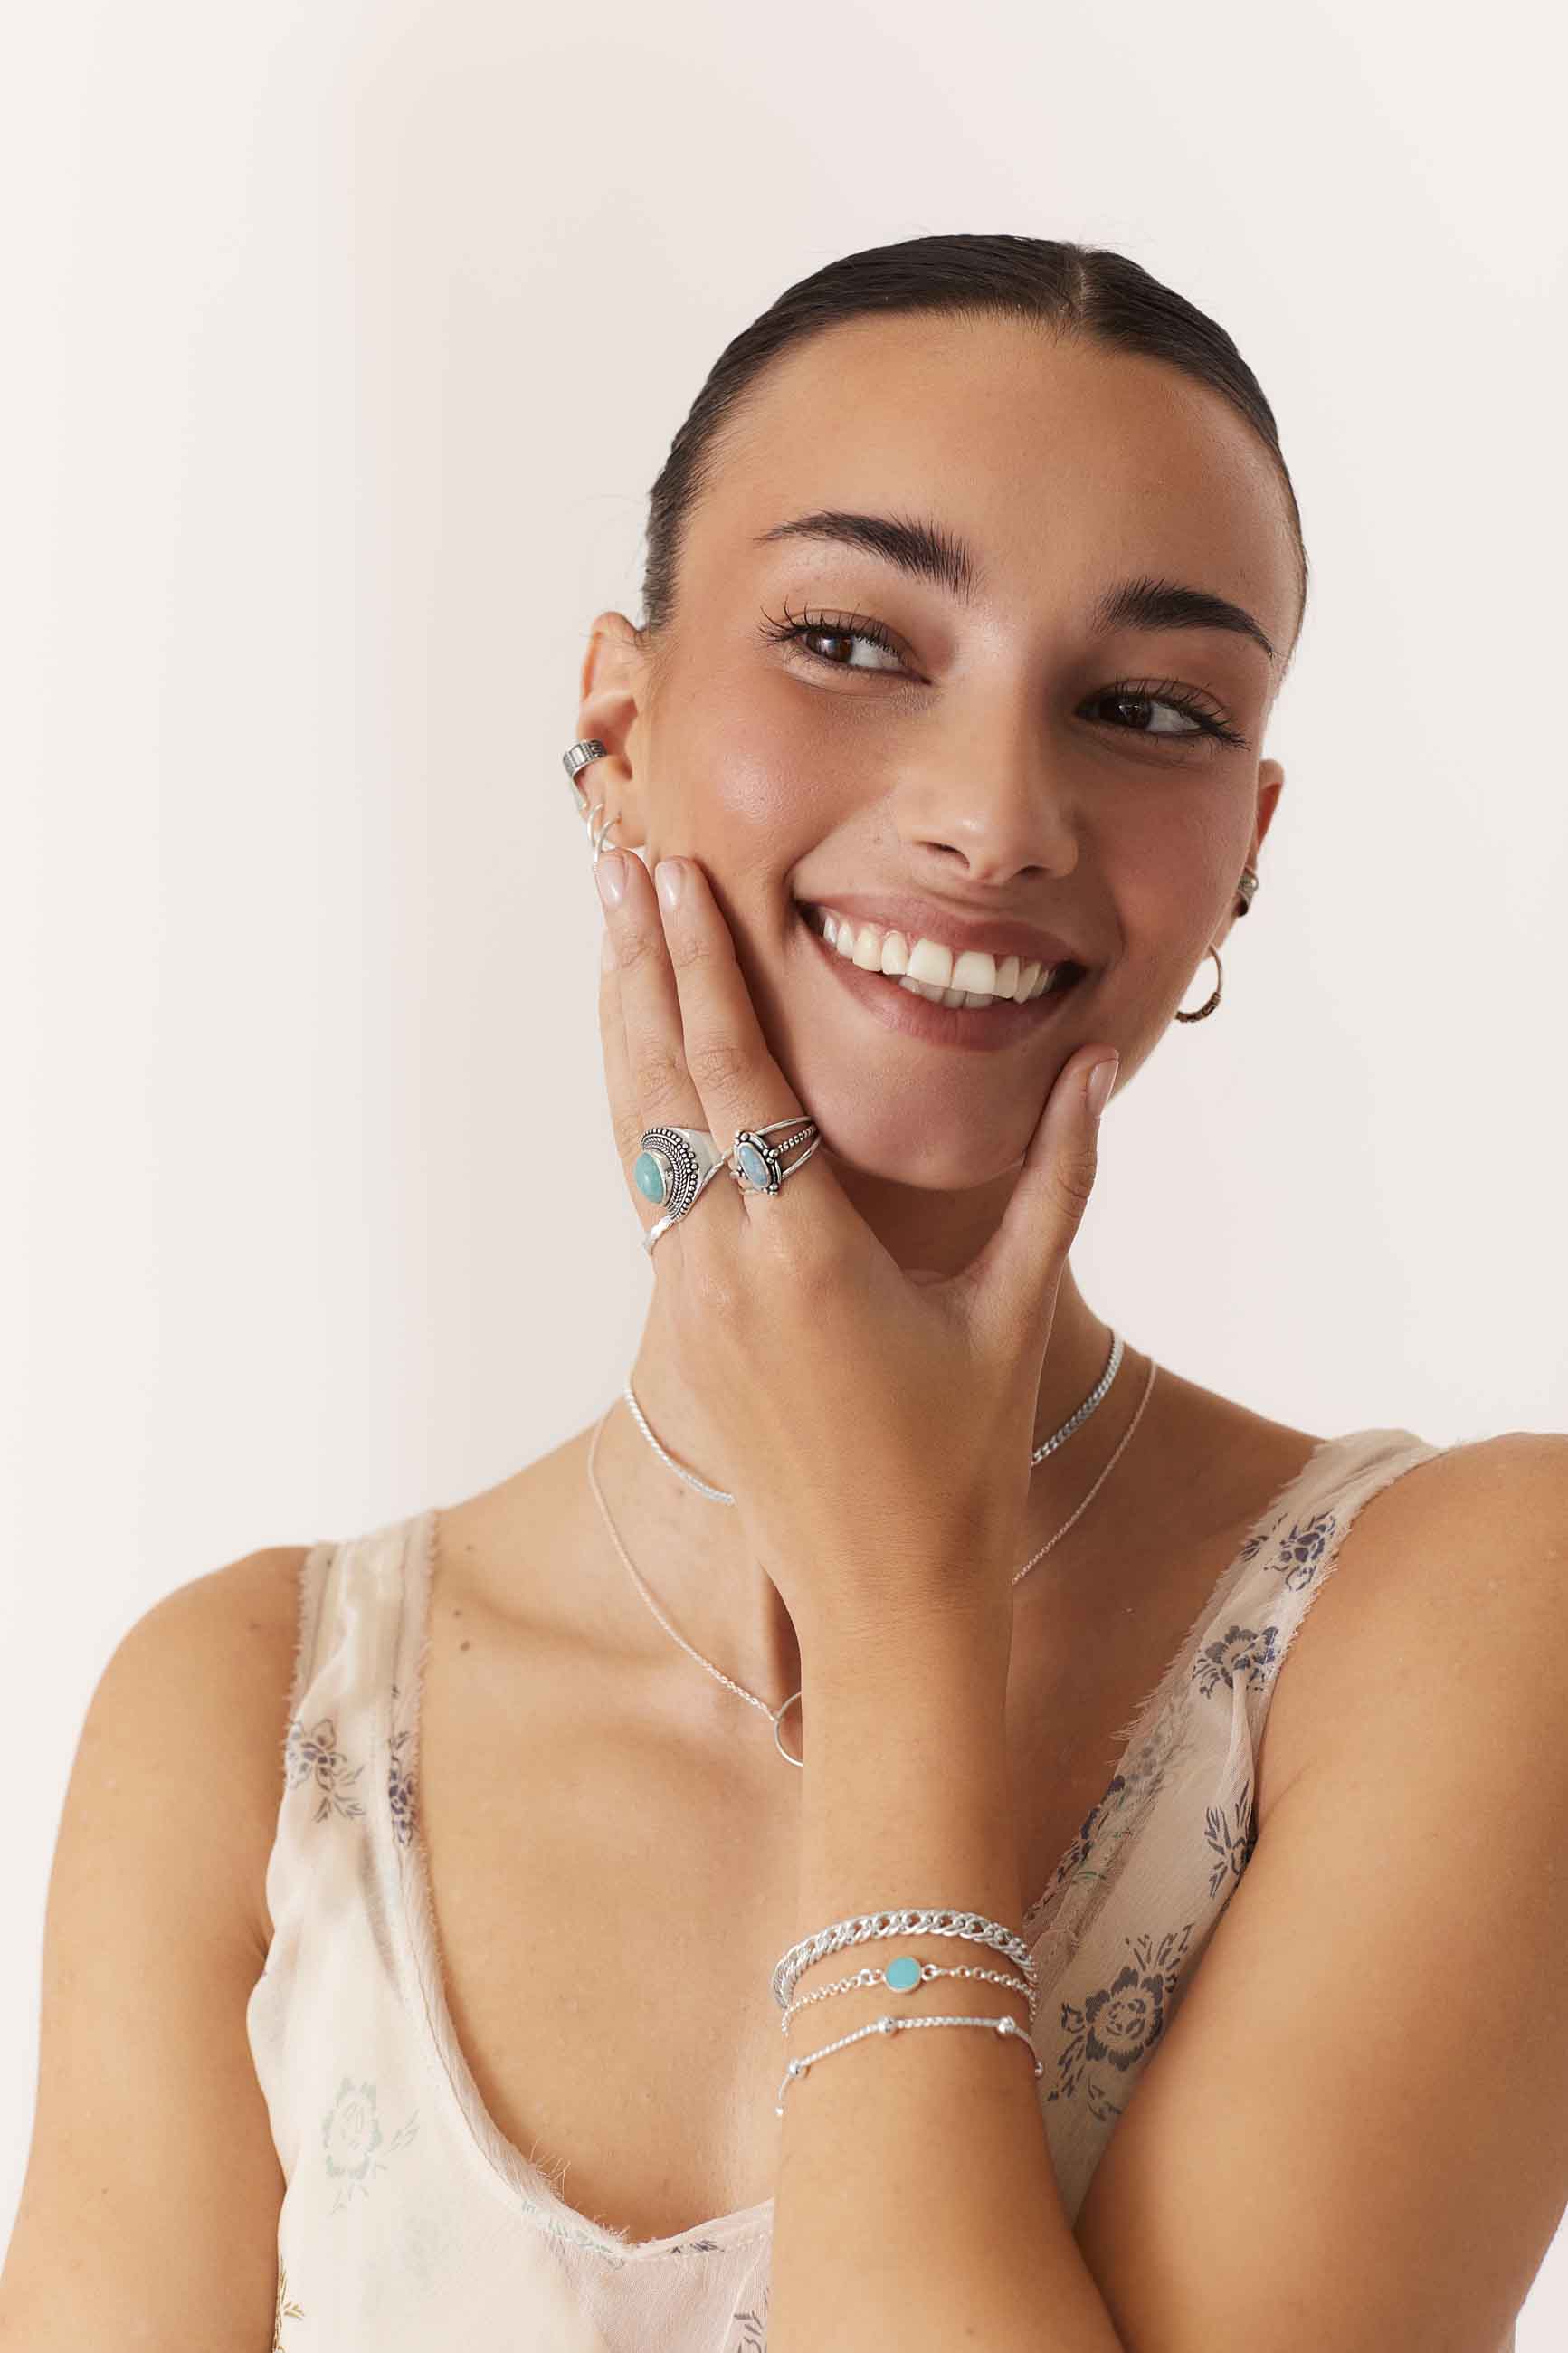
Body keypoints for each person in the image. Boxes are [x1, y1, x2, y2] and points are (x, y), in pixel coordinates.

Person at [5, 233, 1564, 2353]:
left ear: (1244, 846)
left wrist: (900, 1626)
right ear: (617, 728)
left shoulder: (1463, 1619)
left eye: (1149, 709)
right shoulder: (254, 1727)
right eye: (850, 640)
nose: (995, 819)